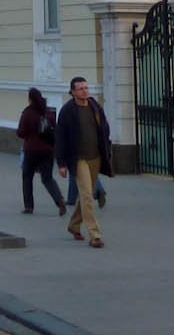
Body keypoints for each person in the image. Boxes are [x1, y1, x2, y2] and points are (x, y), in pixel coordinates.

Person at [55, 75, 113, 249]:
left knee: (85, 195)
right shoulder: (67, 111)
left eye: (86, 88)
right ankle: (95, 235)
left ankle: (73, 225)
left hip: (95, 157)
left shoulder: (94, 106)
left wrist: (107, 147)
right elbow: (60, 138)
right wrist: (62, 164)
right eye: (80, 89)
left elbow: (104, 127)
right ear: (72, 92)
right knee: (88, 194)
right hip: (78, 159)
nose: (84, 91)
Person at [15, 86, 66, 215]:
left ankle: (29, 206)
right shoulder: (48, 112)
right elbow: (55, 130)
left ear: (30, 99)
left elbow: (21, 132)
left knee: (27, 177)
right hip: (48, 150)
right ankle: (59, 200)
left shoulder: (27, 113)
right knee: (47, 178)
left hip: (31, 150)